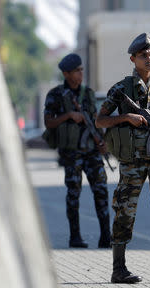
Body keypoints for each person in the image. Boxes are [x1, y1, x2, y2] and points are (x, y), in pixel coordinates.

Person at [96, 33, 150, 284]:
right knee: (125, 209)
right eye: (144, 55)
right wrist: (126, 118)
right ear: (133, 58)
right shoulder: (122, 89)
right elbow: (100, 120)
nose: (149, 59)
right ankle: (119, 269)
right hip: (133, 161)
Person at [44, 53, 111, 248]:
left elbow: (96, 119)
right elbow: (48, 122)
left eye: (82, 70)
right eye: (77, 71)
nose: (81, 73)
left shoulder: (88, 94)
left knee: (101, 191)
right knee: (73, 193)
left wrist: (102, 141)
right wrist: (68, 116)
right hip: (71, 153)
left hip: (91, 152)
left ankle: (106, 236)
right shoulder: (55, 95)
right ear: (66, 73)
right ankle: (75, 237)